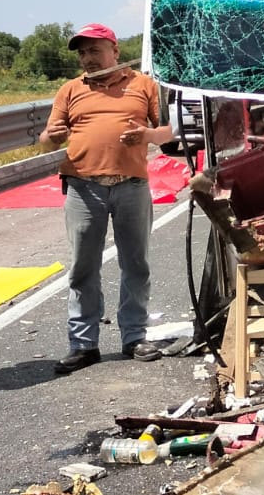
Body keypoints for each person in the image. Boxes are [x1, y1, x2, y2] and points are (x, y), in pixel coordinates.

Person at [39, 25, 174, 374]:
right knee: (83, 267)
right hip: (83, 187)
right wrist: (52, 136)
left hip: (131, 185)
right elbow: (46, 140)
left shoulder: (144, 85)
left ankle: (134, 337)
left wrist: (147, 134)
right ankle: (83, 344)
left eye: (94, 51)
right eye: (82, 53)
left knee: (136, 263)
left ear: (114, 50)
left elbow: (168, 132)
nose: (88, 58)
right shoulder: (71, 90)